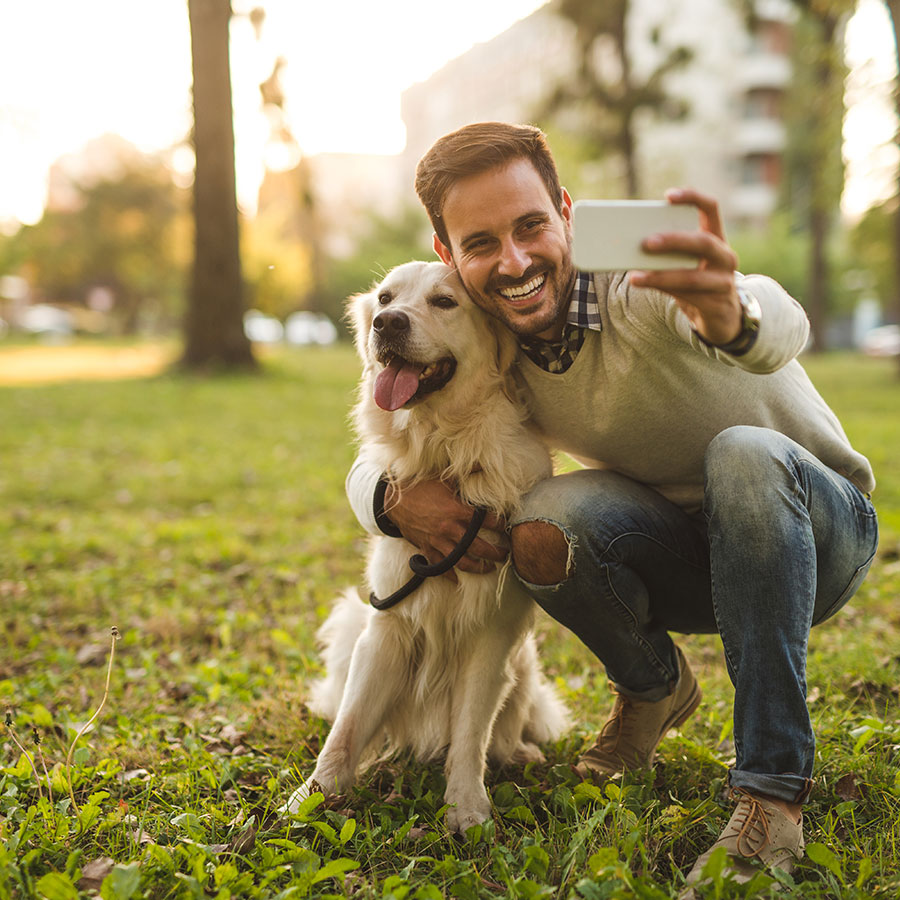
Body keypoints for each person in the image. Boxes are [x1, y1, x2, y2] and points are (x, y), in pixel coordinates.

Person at [345, 122, 878, 887]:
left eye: (531, 226)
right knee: (544, 519)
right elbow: (390, 440)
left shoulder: (638, 283)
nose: (515, 261)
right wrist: (388, 499)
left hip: (815, 531)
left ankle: (770, 793)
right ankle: (654, 687)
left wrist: (733, 313)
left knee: (743, 454)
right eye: (483, 242)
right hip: (685, 556)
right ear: (448, 253)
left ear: (566, 212)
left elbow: (778, 315)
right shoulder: (488, 340)